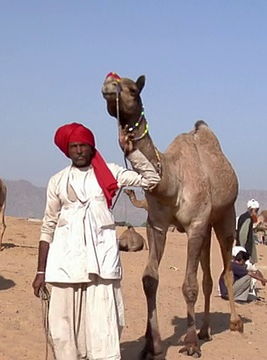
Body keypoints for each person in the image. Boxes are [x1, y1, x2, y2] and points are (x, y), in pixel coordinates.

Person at [31, 122, 160, 360]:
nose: (79, 151)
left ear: (92, 148)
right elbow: (48, 226)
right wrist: (41, 271)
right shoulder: (57, 181)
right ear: (67, 150)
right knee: (63, 330)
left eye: (83, 146)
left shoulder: (110, 173)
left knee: (104, 328)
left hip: (101, 266)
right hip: (65, 267)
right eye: (74, 146)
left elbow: (152, 178)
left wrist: (132, 152)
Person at [236, 199, 260, 264]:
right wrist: (243, 251)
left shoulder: (243, 217)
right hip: (244, 255)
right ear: (251, 209)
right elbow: (243, 236)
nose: (257, 212)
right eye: (256, 210)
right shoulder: (248, 218)